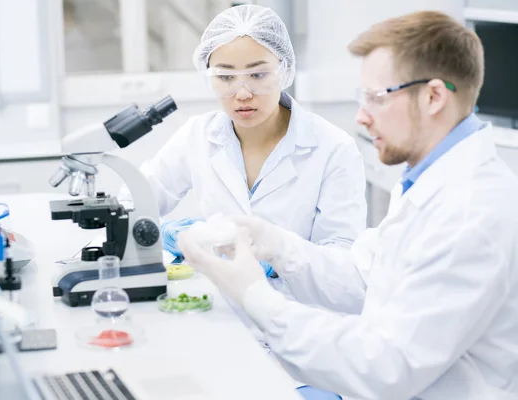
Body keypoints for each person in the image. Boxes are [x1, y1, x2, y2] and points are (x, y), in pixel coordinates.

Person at [179, 10, 518, 400]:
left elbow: (387, 366)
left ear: (433, 97)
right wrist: (275, 243)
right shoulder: (425, 183)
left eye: (375, 98)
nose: (361, 116)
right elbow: (363, 278)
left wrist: (255, 295)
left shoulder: (471, 210)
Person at [120, 4, 366, 288]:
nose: (243, 93)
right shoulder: (197, 136)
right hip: (220, 306)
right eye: (226, 77)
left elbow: (342, 257)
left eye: (258, 75)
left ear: (283, 71)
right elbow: (132, 202)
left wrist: (278, 258)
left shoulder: (334, 148)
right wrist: (162, 232)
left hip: (300, 311)